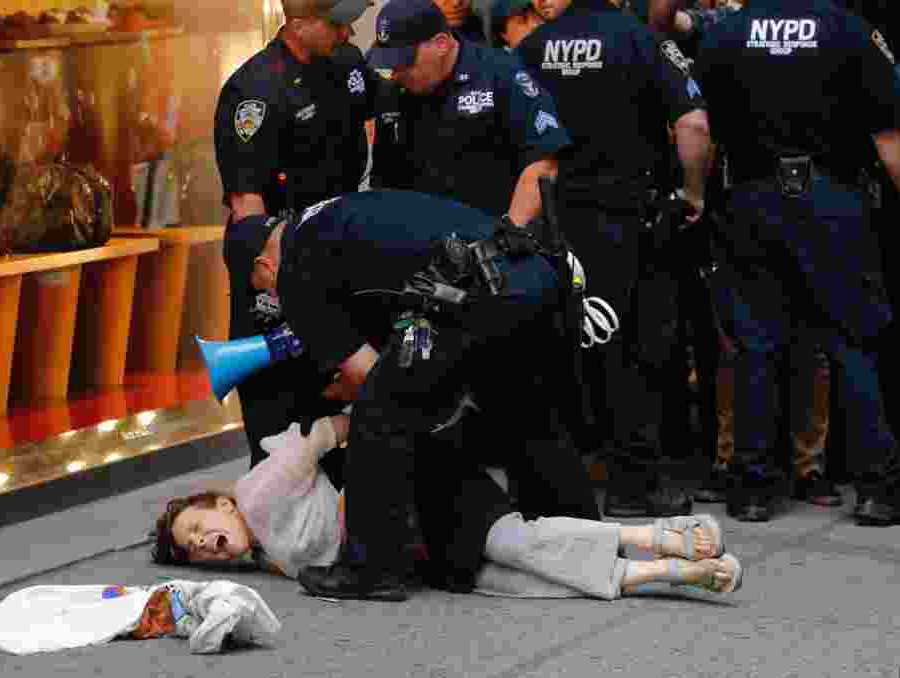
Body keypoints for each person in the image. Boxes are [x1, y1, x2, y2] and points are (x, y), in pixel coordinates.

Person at [224, 188, 612, 600]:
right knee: (526, 413)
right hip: (532, 276)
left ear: (265, 265)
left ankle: (374, 568)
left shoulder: (295, 269)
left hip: (471, 294)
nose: (270, 296)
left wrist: (346, 393)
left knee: (378, 410)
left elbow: (368, 374)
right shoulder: (332, 213)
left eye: (260, 286)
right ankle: (589, 539)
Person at [691, 0, 900, 524]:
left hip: (750, 198)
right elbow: (890, 130)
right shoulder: (847, 29)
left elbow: (699, 126)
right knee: (851, 341)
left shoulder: (727, 33)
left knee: (755, 344)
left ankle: (753, 488)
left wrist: (698, 194)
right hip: (830, 199)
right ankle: (881, 488)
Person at [151, 413, 744, 601]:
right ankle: (673, 570)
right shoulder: (265, 555)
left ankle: (663, 541)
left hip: (422, 490)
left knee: (514, 543)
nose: (201, 542)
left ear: (221, 503)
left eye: (198, 524)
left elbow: (333, 429)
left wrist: (385, 449)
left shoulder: (256, 492)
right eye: (193, 548)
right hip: (414, 540)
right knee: (518, 582)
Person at [513, 0, 713, 517]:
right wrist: (694, 192)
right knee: (634, 348)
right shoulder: (641, 40)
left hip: (556, 218)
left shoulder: (533, 47)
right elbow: (693, 124)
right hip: (628, 217)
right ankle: (632, 481)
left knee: (567, 344)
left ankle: (560, 475)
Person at [214, 0, 374, 486]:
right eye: (337, 23)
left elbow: (377, 119)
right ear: (298, 24)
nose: (348, 33)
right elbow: (247, 204)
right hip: (279, 261)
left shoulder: (346, 62)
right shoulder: (255, 90)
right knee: (280, 419)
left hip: (341, 253)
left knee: (347, 406)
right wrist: (280, 282)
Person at [368, 0, 570, 226]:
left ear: (441, 44)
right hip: (419, 234)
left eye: (405, 62)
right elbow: (384, 179)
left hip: (491, 232)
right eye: (390, 64)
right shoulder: (394, 91)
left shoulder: (501, 74)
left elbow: (542, 164)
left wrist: (509, 234)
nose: (395, 73)